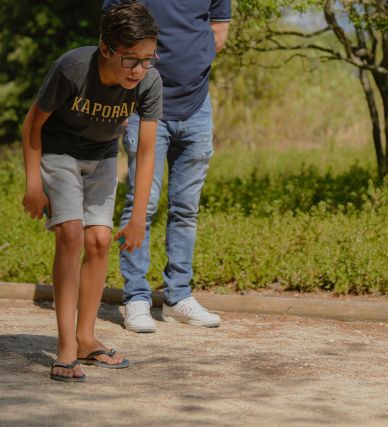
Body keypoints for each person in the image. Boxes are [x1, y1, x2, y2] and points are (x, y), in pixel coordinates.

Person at [21, 2, 161, 381]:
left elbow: (145, 153)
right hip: (58, 151)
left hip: (100, 158)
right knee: (70, 233)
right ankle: (66, 345)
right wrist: (34, 183)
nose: (139, 69)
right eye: (131, 59)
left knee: (98, 239)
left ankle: (86, 337)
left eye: (148, 59)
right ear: (105, 49)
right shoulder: (73, 68)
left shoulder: (148, 82)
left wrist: (136, 220)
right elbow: (31, 126)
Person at [102, 0, 231, 332]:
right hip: (142, 104)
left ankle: (178, 297)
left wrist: (194, 64)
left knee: (186, 208)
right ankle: (136, 298)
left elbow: (218, 31)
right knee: (141, 203)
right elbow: (112, 32)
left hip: (197, 103)